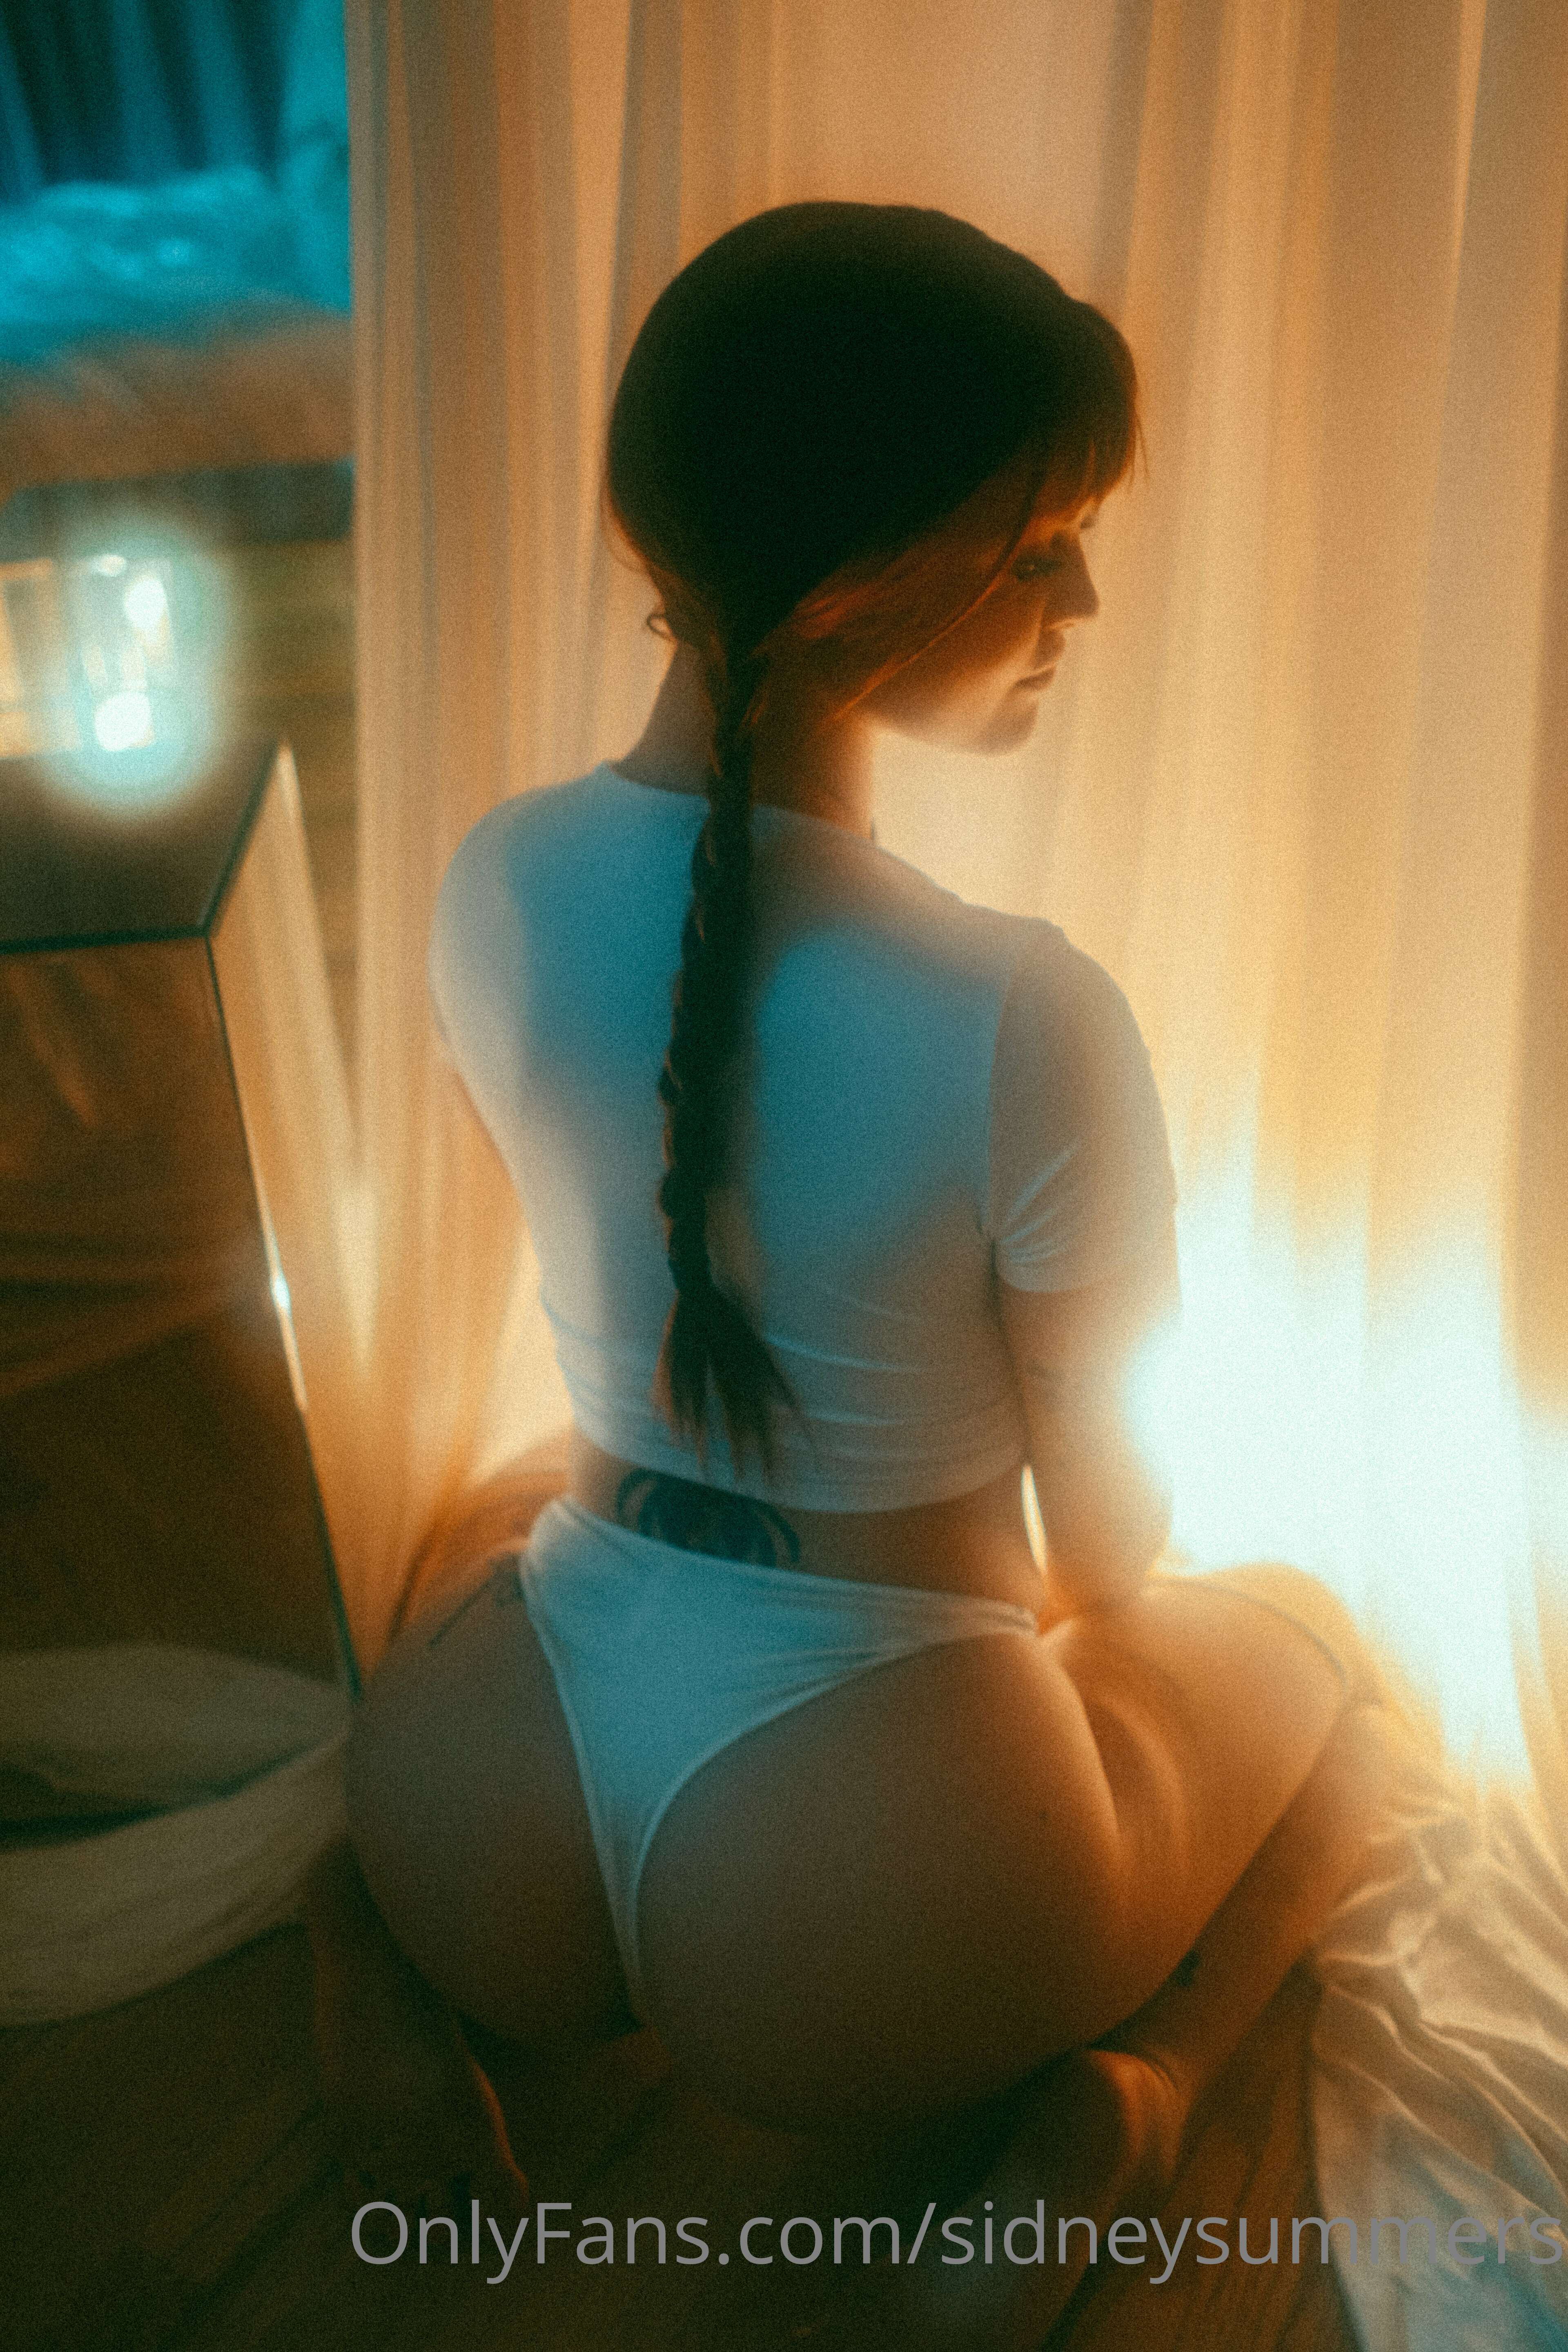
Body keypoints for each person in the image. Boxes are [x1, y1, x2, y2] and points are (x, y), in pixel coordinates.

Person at [308, 203, 1390, 2346]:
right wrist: (1020, 1690)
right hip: (870, 1893)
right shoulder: (1017, 1010)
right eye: (1041, 545)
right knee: (1335, 1655)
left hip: (478, 1807)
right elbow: (1108, 1551)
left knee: (512, 1501)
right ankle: (1128, 2107)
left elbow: (634, 1282)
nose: (1080, 601)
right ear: (864, 579)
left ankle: (379, 1982)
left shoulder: (492, 877)